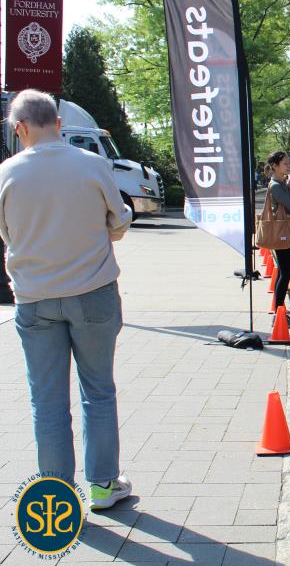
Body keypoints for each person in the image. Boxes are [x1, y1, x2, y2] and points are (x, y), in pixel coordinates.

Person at [0, 90, 134, 510]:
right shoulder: (92, 164)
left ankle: (57, 495)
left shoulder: (6, 173)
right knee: (98, 391)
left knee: (47, 401)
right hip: (93, 292)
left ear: (20, 129)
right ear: (58, 123)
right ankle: (103, 485)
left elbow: (5, 233)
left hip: (35, 298)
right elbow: (119, 221)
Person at [266, 151, 290, 320]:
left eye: (288, 163)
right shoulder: (276, 186)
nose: (288, 166)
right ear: (275, 166)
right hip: (281, 232)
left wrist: (288, 186)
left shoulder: (280, 183)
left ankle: (280, 312)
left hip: (283, 230)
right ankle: (279, 314)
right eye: (285, 163)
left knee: (284, 272)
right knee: (286, 272)